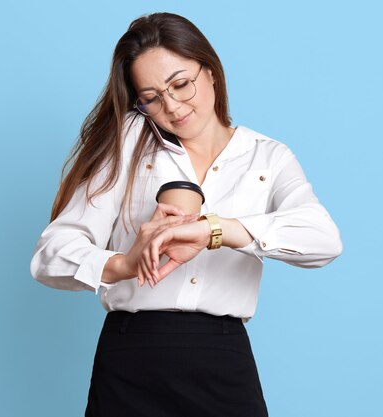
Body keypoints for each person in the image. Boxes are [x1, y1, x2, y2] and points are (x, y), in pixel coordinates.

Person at [30, 12, 342, 417]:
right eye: (151, 97)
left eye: (180, 84)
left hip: (222, 356)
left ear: (210, 71)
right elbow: (49, 256)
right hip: (131, 355)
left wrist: (217, 230)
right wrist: (124, 262)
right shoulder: (128, 143)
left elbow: (324, 239)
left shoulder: (267, 157)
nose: (172, 106)